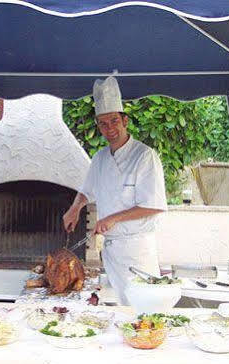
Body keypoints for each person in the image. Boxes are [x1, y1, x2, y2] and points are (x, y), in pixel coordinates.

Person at [62, 76, 167, 305]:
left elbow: (153, 205)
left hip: (137, 252)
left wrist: (113, 218)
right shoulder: (99, 159)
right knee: (120, 311)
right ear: (98, 126)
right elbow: (86, 191)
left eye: (113, 121)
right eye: (103, 123)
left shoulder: (144, 156)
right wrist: (74, 208)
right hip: (111, 253)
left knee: (144, 310)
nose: (110, 128)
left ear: (125, 120)